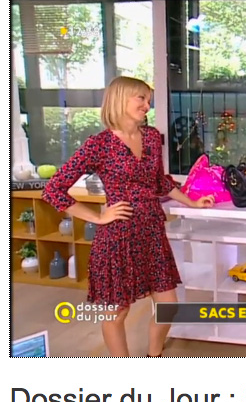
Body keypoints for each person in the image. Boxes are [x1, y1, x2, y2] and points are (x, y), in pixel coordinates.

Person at [42, 76, 215, 357]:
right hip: (118, 237)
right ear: (120, 99)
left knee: (169, 306)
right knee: (117, 313)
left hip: (152, 233)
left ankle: (154, 355)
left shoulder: (151, 137)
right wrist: (98, 217)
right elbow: (54, 190)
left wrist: (193, 202)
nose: (147, 105)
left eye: (149, 100)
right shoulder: (99, 144)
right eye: (141, 98)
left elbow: (159, 182)